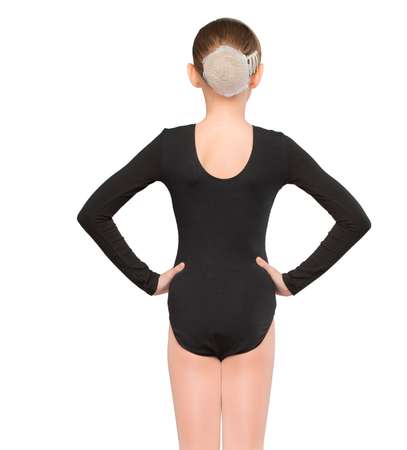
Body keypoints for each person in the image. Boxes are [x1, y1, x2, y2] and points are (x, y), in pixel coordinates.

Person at [77, 17, 371, 450]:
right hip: (251, 304)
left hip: (190, 302)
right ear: (258, 74)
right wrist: (292, 281)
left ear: (193, 74)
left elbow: (95, 213)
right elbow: (353, 219)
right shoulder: (278, 150)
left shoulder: (170, 147)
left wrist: (149, 280)